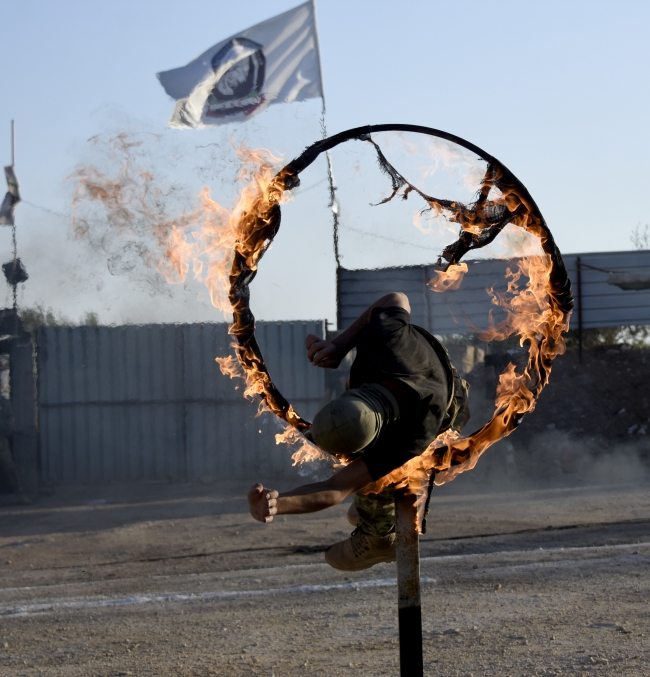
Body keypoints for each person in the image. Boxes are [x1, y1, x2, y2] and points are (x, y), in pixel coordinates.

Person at [248, 293, 469, 571]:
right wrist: (339, 346)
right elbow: (394, 298)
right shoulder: (384, 339)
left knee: (382, 478)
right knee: (363, 474)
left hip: (450, 409)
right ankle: (371, 505)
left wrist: (279, 504)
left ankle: (377, 537)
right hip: (416, 372)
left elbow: (337, 487)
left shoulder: (412, 435)